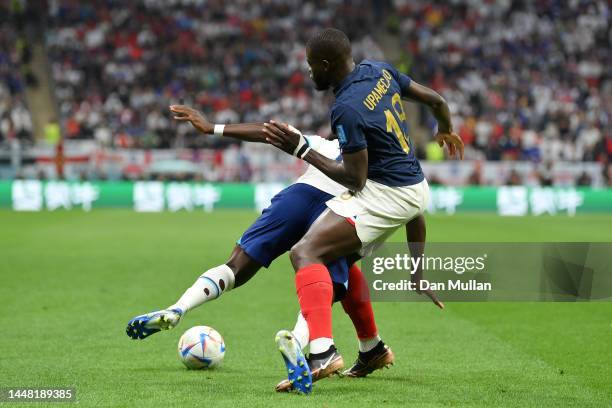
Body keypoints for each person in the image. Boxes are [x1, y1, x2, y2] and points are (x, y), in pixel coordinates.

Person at [126, 107, 444, 393]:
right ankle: (307, 345)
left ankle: (180, 307)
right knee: (326, 275)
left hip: (299, 197)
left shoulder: (321, 144)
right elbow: (415, 214)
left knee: (236, 266)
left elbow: (269, 131)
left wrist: (213, 128)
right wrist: (417, 270)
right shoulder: (386, 167)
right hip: (340, 211)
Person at [262, 28, 462, 391]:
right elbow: (436, 101)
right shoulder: (380, 71)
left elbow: (355, 178)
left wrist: (302, 150)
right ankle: (372, 349)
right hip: (414, 186)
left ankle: (322, 352)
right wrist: (446, 129)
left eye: (311, 65)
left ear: (326, 65)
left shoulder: (347, 107)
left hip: (386, 194)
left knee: (306, 253)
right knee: (340, 256)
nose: (309, 73)